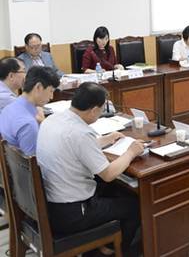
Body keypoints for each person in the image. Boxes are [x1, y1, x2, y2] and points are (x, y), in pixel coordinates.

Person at [37, 82, 144, 256]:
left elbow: (72, 146)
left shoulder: (53, 120)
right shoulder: (81, 133)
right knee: (134, 205)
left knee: (114, 190)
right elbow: (108, 174)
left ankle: (103, 244)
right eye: (101, 110)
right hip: (73, 213)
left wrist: (107, 139)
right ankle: (115, 251)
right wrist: (131, 152)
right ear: (94, 110)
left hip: (51, 204)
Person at [0, 66, 60, 155]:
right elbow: (35, 161)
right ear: (38, 87)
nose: (51, 97)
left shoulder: (8, 108)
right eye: (51, 91)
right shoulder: (28, 124)